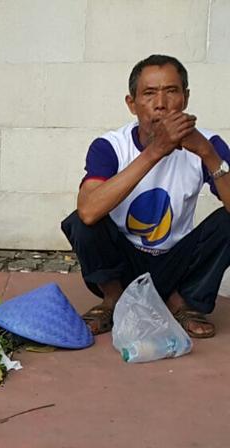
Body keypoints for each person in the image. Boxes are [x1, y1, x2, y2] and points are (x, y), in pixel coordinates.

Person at [61, 54, 230, 338]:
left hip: (177, 263)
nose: (161, 103)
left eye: (171, 91)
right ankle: (113, 300)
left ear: (185, 99)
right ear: (132, 104)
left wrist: (209, 156)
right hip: (124, 264)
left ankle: (182, 301)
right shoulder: (111, 146)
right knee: (81, 221)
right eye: (149, 93)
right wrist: (155, 151)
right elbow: (88, 211)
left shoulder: (207, 143)